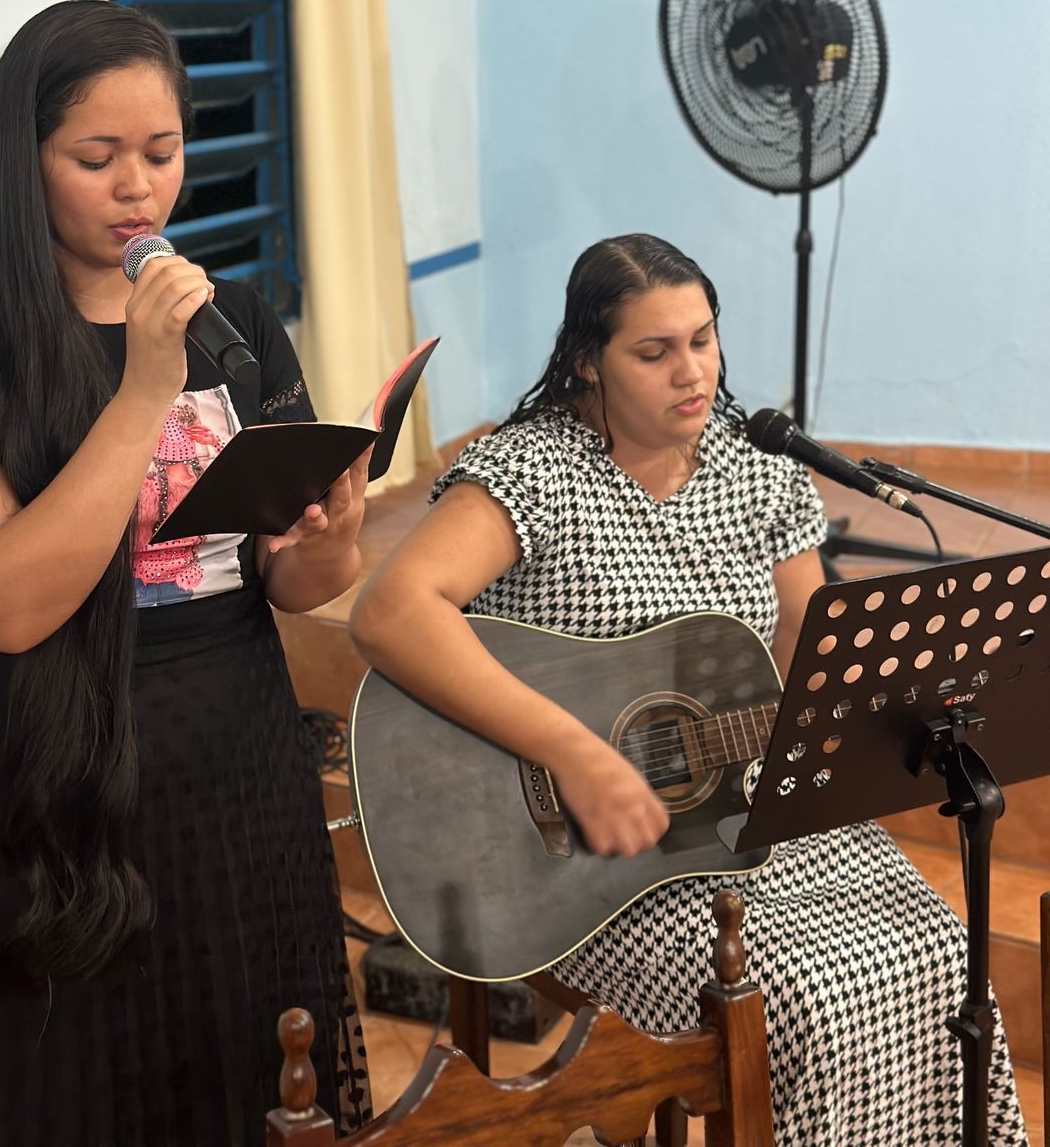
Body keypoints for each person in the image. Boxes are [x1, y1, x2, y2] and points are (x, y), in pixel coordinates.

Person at [350, 233, 1028, 1147]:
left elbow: (812, 658)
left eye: (703, 340)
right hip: (589, 860)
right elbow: (391, 612)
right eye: (654, 351)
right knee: (805, 1000)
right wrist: (577, 754)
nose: (692, 372)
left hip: (750, 817)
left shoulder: (760, 470)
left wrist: (902, 691)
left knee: (943, 956)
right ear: (587, 361)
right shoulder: (530, 472)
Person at [0, 1, 371, 1145]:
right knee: (44, 1092)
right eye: (97, 158)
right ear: (25, 160)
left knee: (238, 1068)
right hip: (38, 784)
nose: (138, 188)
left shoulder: (240, 321)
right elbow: (1, 605)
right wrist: (145, 385)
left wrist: (328, 538)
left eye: (162, 151)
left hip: (232, 771)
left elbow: (286, 581)